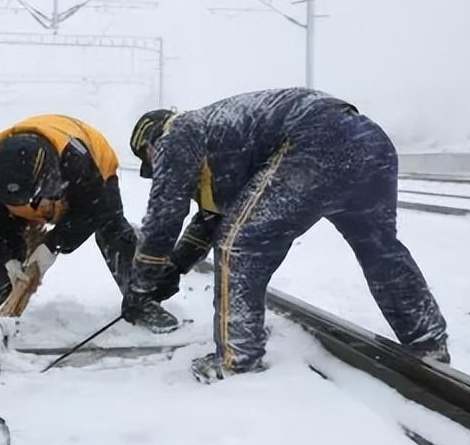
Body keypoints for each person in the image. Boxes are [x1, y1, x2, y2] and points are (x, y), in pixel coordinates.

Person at [125, 88, 450, 383]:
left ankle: (237, 362)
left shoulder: (176, 133)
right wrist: (175, 268)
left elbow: (164, 217)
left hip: (316, 140)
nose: (156, 168)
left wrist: (143, 283)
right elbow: (210, 221)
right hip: (368, 142)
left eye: (150, 162)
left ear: (152, 145)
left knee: (239, 245)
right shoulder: (220, 145)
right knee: (379, 248)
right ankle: (428, 341)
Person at [0, 114, 179, 333]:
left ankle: (142, 300)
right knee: (6, 235)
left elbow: (91, 210)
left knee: (112, 228)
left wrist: (53, 245)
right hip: (37, 181)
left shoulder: (77, 161)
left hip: (94, 170)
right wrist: (7, 257)